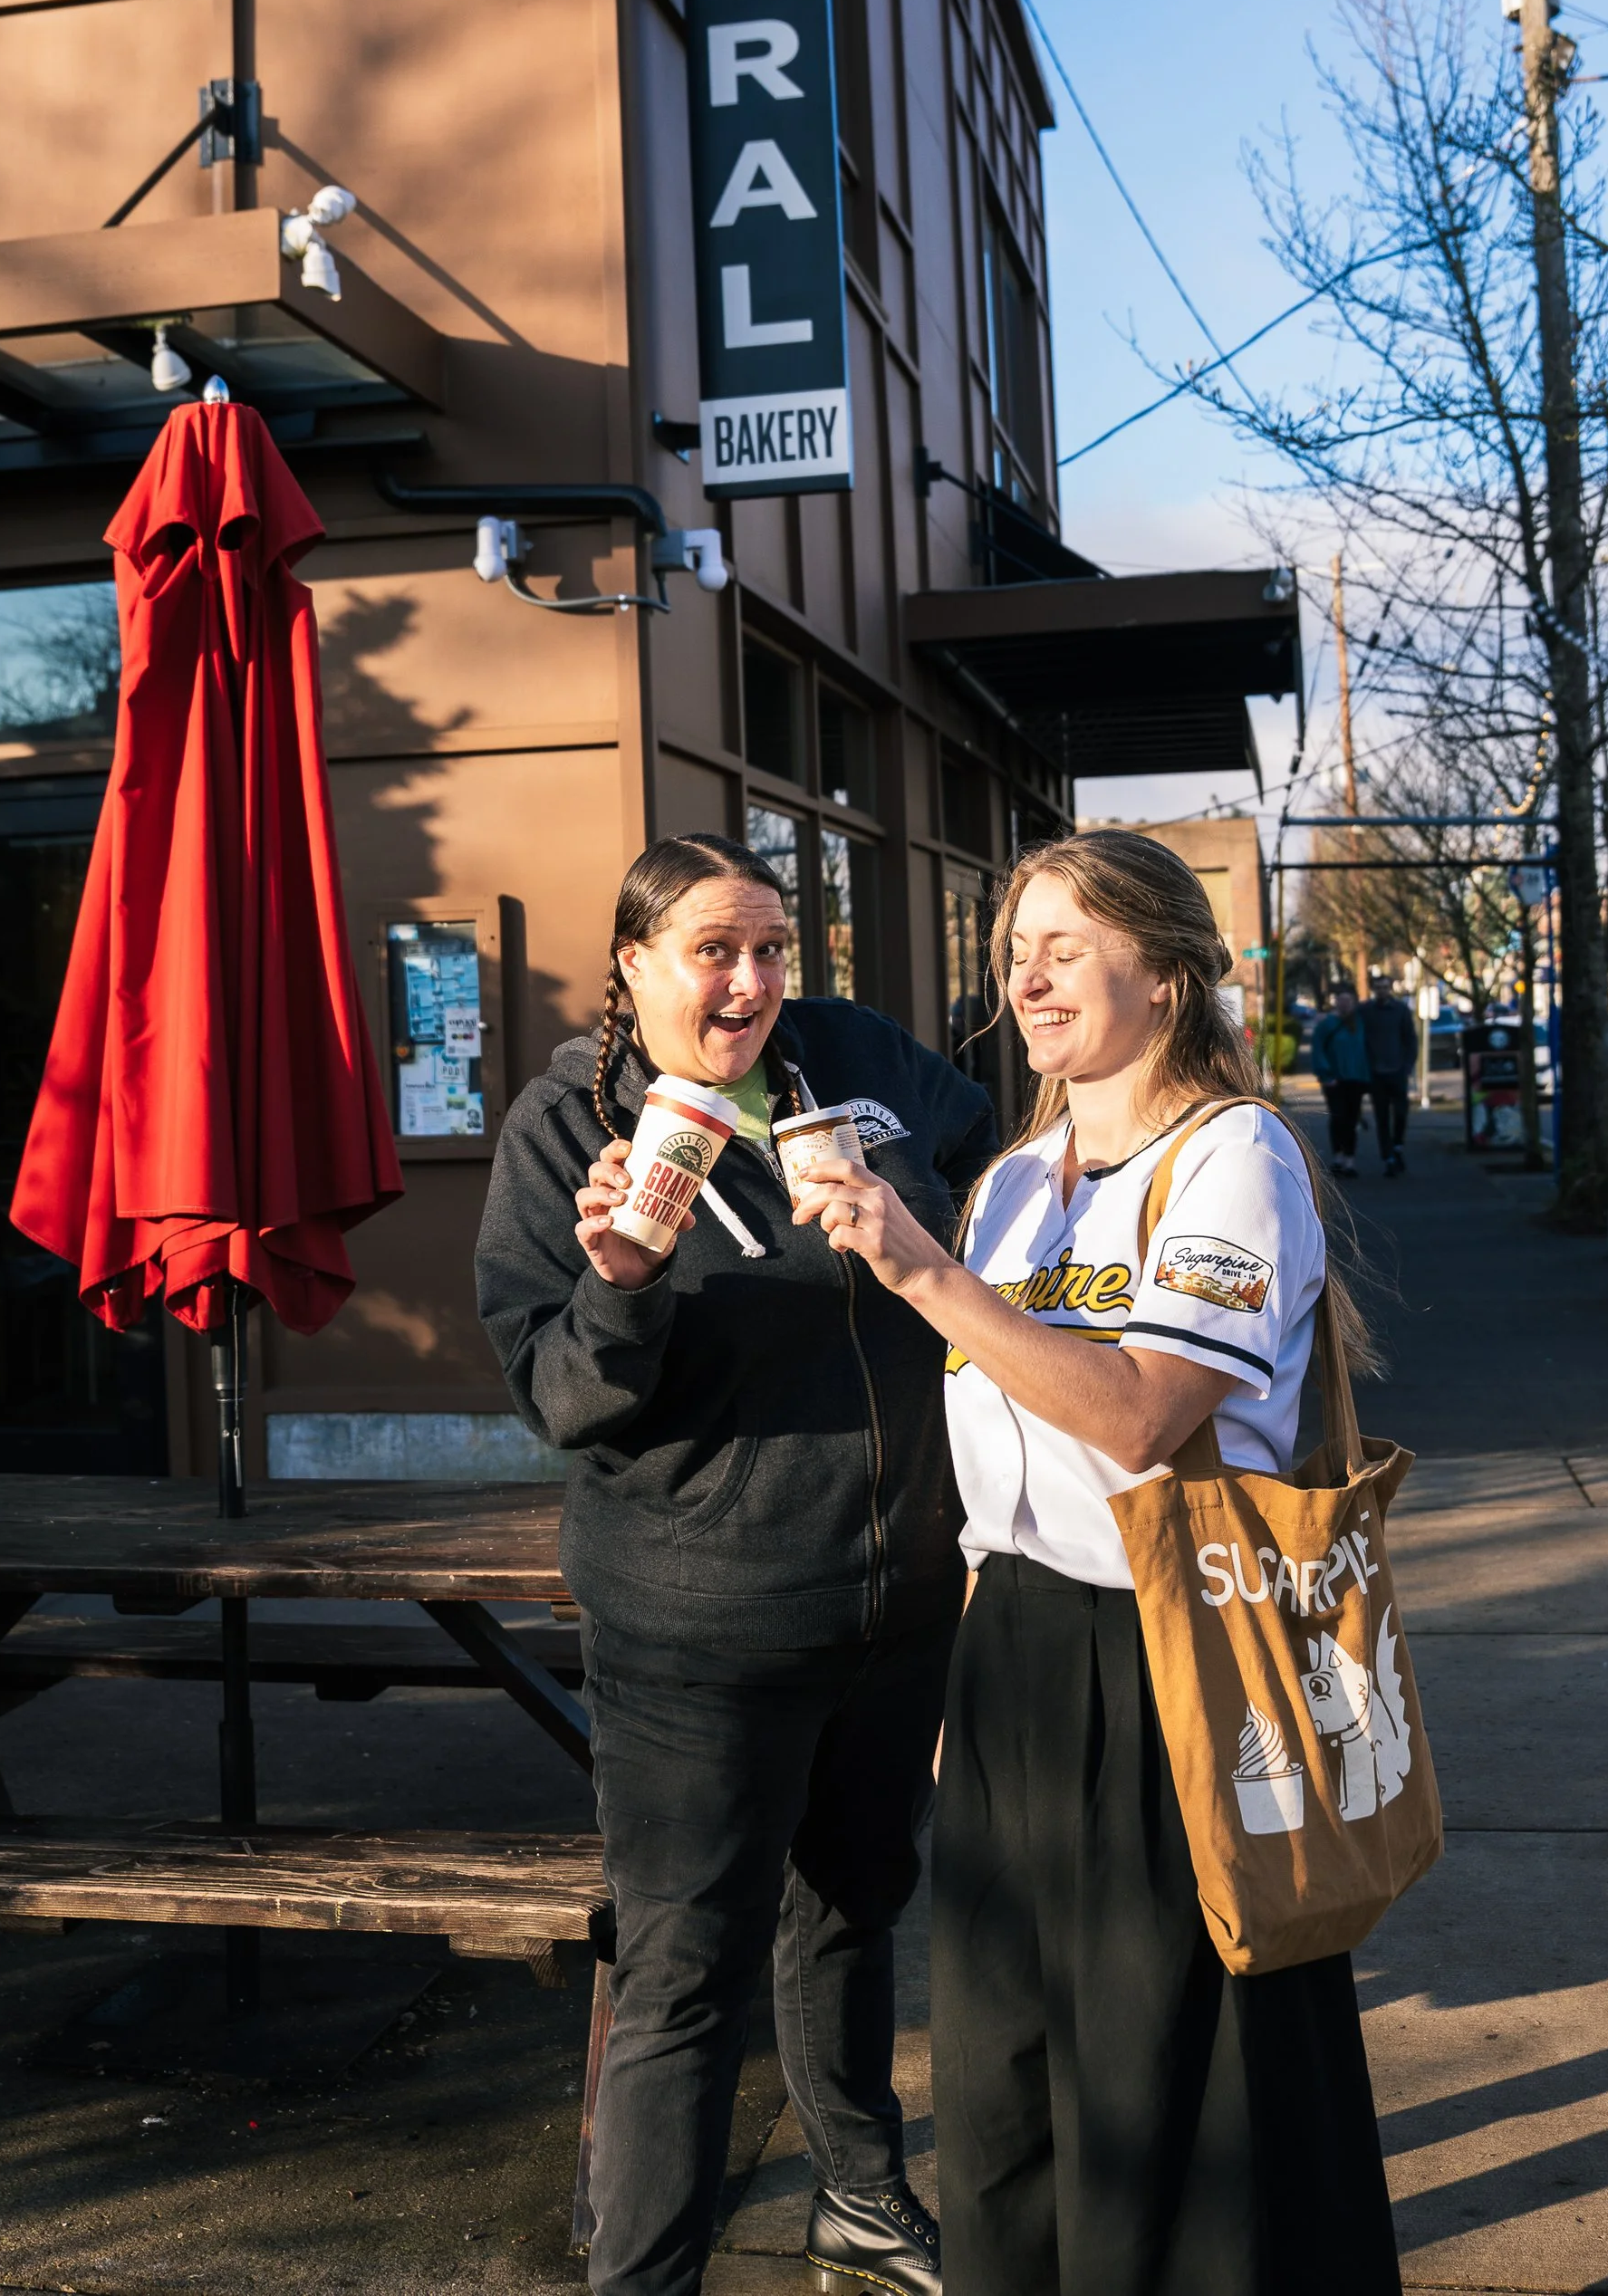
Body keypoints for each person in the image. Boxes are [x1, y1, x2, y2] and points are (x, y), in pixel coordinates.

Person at [788, 831, 1401, 2296]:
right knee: (1004, 2080)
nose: (1030, 970)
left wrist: (923, 1271)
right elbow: (996, 1460)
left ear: (1169, 976)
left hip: (1175, 1643)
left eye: (1068, 941)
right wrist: (973, 1680)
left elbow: (1138, 1415)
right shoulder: (1014, 1181)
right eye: (1017, 946)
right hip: (1017, 1659)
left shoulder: (1235, 1158)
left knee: (1162, 2077)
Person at [477, 834, 996, 2296]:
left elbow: (1006, 1163)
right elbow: (564, 1400)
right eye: (716, 949)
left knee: (853, 1910)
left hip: (896, 1602)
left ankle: (859, 2194)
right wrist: (623, 1290)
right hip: (699, 1630)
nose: (755, 981)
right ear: (636, 964)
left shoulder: (850, 1060)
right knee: (684, 1977)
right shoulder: (561, 1134)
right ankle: (645, 2279)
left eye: (773, 947)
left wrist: (932, 1239)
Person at [1308, 981, 1369, 1178]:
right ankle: (1338, 1157)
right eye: (1341, 1000)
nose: (1344, 1004)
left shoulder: (1360, 1023)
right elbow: (1318, 1050)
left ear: (1353, 1002)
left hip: (1356, 1079)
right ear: (1336, 1002)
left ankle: (1350, 1160)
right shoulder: (1327, 1025)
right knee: (1337, 1117)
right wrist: (1325, 1075)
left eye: (1348, 1000)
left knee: (1351, 1119)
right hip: (1334, 1080)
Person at [1359, 975, 1418, 1179]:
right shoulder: (1365, 1011)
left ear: (1390, 988)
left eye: (1385, 987)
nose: (1382, 990)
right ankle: (1388, 1158)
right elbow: (1358, 1038)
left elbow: (1410, 1039)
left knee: (1401, 1113)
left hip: (1398, 1071)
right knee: (1381, 1118)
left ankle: (1398, 1146)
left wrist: (1408, 1065)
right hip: (1376, 1074)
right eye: (1378, 988)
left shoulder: (1401, 1010)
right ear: (1374, 989)